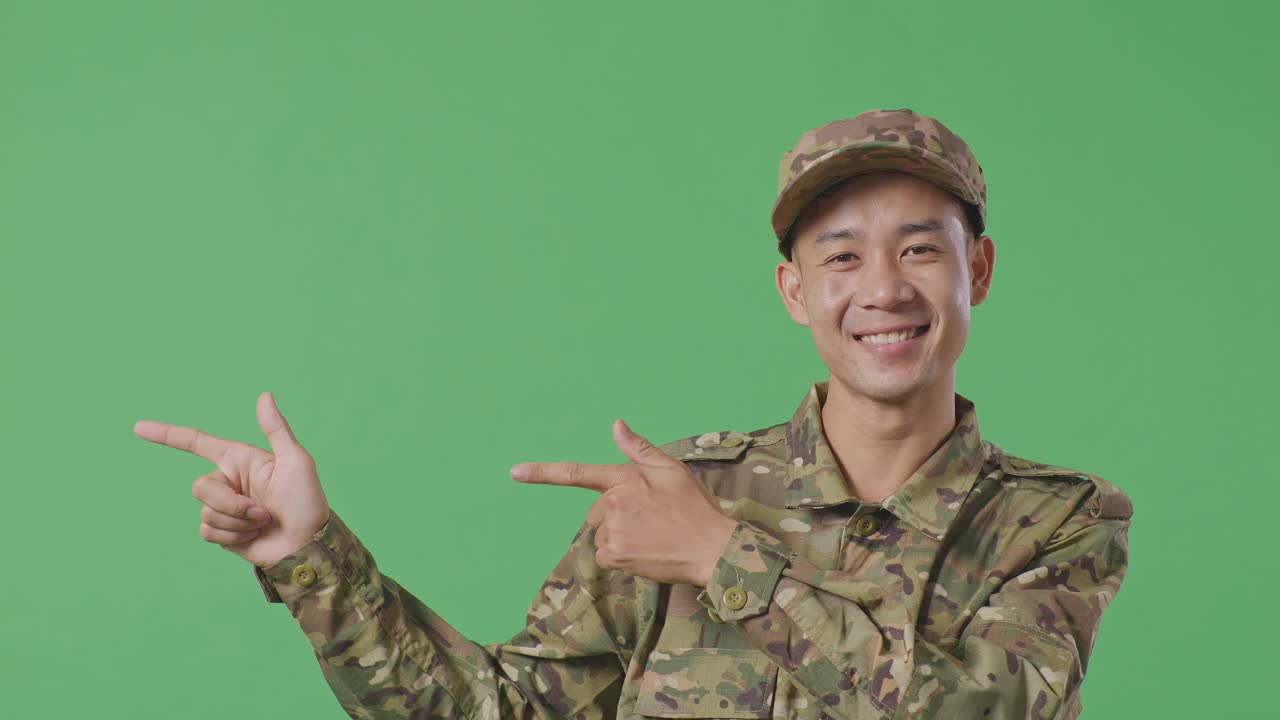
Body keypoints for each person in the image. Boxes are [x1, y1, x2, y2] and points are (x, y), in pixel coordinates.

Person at [135, 108, 1133, 719]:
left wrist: (724, 562)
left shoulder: (1057, 521)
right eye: (840, 255)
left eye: (920, 249)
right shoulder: (678, 493)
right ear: (793, 290)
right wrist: (315, 560)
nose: (881, 287)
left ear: (978, 272)